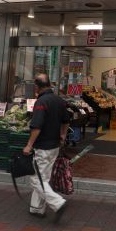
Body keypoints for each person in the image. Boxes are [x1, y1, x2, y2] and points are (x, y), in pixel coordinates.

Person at [23, 73, 70, 222]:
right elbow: (66, 120)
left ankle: (57, 203)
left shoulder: (41, 102)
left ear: (37, 86)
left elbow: (36, 126)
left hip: (42, 146)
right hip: (54, 146)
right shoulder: (59, 100)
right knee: (43, 177)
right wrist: (63, 135)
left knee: (36, 179)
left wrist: (29, 145)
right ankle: (37, 208)